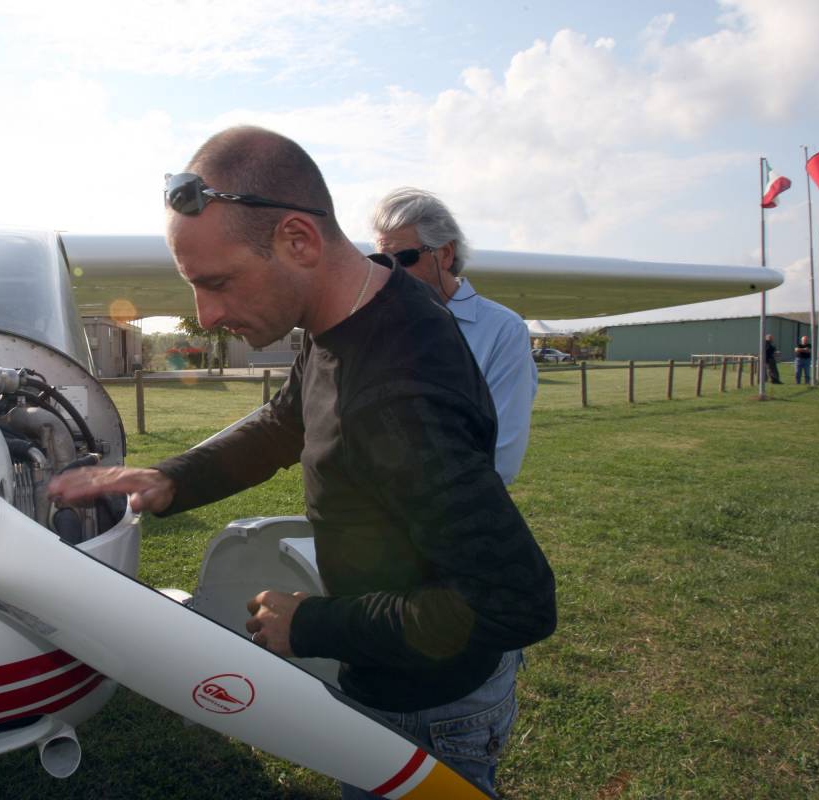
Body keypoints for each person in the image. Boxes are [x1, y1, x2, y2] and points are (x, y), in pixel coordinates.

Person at [49, 127, 556, 795]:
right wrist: (174, 478)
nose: (205, 315)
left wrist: (312, 623)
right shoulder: (347, 316)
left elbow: (513, 603)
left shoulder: (401, 394)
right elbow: (285, 420)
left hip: (431, 704)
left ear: (298, 240)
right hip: (388, 674)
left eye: (219, 282)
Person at [372, 188, 536, 485]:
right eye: (383, 262)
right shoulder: (381, 325)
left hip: (455, 511)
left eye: (404, 258)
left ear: (445, 254)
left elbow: (502, 455)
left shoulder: (503, 330)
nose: (391, 273)